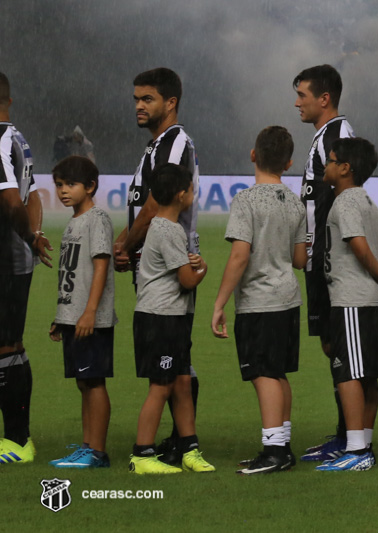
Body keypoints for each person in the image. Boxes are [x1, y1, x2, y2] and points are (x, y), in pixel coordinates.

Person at [114, 67, 201, 465]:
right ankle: (180, 443)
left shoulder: (174, 142)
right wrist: (127, 245)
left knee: (174, 361)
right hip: (155, 267)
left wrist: (125, 243)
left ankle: (163, 444)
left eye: (147, 99)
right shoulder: (155, 146)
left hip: (170, 268)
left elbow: (156, 203)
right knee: (173, 358)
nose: (138, 105)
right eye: (136, 98)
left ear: (171, 103)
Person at [210, 126, 307, 475]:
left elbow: (239, 256)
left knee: (262, 373)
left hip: (259, 301)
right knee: (277, 373)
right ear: (289, 162)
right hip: (288, 298)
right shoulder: (296, 202)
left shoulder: (246, 200)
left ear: (254, 155)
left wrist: (220, 303)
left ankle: (273, 451)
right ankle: (282, 445)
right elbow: (300, 260)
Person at [315, 138, 378, 472]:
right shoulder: (368, 201)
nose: (326, 165)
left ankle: (356, 450)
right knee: (367, 375)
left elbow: (360, 246)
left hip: (352, 301)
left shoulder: (346, 202)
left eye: (331, 159)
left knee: (347, 373)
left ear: (345, 169)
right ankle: (363, 444)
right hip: (371, 302)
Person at [129, 163, 213, 475]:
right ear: (181, 195)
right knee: (161, 386)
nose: (193, 193)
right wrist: (202, 270)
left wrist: (193, 266)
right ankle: (142, 454)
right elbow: (187, 281)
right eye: (191, 188)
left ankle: (189, 448)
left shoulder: (161, 227)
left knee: (181, 382)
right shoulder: (169, 229)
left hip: (170, 317)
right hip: (159, 318)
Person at [293, 65, 357, 462]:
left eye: (302, 94)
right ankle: (346, 434)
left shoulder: (336, 138)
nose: (296, 102)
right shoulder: (324, 137)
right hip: (319, 259)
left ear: (324, 99)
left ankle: (352, 437)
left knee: (342, 347)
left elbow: (343, 200)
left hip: (331, 261)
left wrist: (327, 254)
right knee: (332, 344)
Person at [48, 156, 115, 468]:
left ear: (90, 187)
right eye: (59, 185)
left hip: (91, 320)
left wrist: (89, 312)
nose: (63, 191)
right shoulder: (73, 222)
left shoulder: (97, 219)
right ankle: (87, 446)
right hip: (73, 318)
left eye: (71, 185)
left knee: (94, 380)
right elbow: (72, 274)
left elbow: (100, 265)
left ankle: (97, 452)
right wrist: (62, 316)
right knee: (82, 381)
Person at [0, 71, 53, 465]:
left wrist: (28, 237)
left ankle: (17, 441)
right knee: (10, 345)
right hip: (16, 257)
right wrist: (33, 235)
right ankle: (18, 438)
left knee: (5, 345)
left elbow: (12, 201)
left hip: (5, 258)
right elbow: (33, 194)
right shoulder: (15, 136)